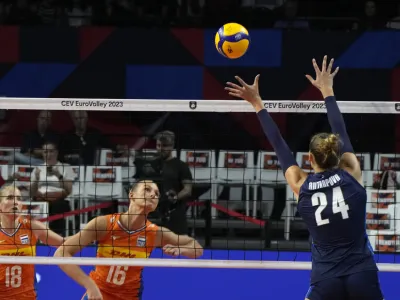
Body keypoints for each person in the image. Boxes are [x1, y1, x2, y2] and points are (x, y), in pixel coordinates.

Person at [225, 56, 384, 300]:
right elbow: (340, 129)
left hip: (325, 277)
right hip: (362, 272)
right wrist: (327, 89)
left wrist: (257, 103)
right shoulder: (351, 173)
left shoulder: (302, 186)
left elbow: (279, 146)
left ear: (309, 158)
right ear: (339, 155)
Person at [54, 180, 203, 300]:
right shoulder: (104, 224)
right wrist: (90, 286)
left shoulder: (155, 233)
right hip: (98, 294)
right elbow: (61, 254)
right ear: (131, 195)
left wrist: (181, 249)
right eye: (147, 190)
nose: (153, 195)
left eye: (157, 194)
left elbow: (197, 248)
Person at [0, 185, 65, 300]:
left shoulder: (31, 226)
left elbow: (63, 243)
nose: (15, 202)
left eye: (19, 198)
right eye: (10, 197)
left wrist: (87, 235)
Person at [30, 141, 73, 236]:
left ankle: (55, 235)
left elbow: (69, 190)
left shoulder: (66, 167)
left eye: (51, 151)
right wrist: (36, 180)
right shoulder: (37, 169)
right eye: (45, 152)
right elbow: (32, 193)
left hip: (59, 198)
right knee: (37, 206)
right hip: (41, 199)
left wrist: (59, 176)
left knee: (57, 206)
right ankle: (38, 235)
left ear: (56, 152)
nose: (48, 154)